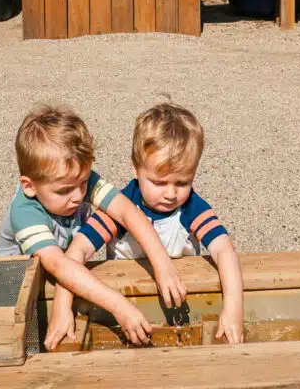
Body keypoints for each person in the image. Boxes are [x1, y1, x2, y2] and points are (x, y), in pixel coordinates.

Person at [0, 104, 186, 350]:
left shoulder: (73, 177)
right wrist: (120, 306)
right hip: (14, 290)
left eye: (84, 183)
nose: (77, 196)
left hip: (60, 276)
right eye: (64, 190)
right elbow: (58, 265)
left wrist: (162, 264)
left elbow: (127, 211)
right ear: (29, 186)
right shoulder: (25, 212)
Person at [64, 102, 244, 345]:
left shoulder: (191, 206)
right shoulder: (122, 206)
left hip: (183, 304)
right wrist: (63, 307)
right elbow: (78, 250)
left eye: (182, 182)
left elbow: (224, 250)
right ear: (136, 169)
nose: (171, 193)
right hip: (127, 307)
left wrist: (233, 310)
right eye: (159, 183)